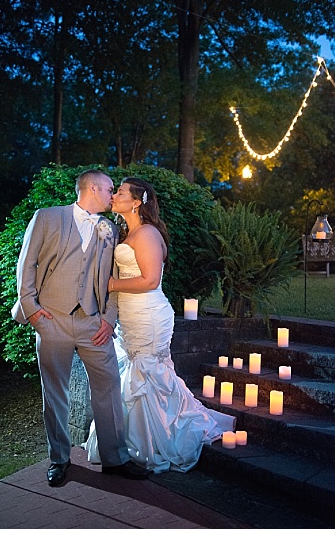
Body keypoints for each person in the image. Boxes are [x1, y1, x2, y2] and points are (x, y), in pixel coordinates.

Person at [83, 177, 235, 473]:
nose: (114, 196)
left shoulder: (148, 234)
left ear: (137, 201)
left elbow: (150, 280)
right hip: (129, 316)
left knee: (148, 372)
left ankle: (157, 439)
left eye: (122, 192)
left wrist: (109, 283)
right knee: (136, 373)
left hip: (148, 314)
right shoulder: (125, 233)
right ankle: (125, 441)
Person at [12, 169, 151, 486]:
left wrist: (108, 319)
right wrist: (32, 310)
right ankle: (59, 460)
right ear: (93, 188)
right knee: (55, 392)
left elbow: (112, 281)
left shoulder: (109, 230)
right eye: (109, 190)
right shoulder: (47, 217)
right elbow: (26, 264)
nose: (112, 195)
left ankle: (115, 458)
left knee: (109, 386)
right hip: (51, 320)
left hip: (93, 322)